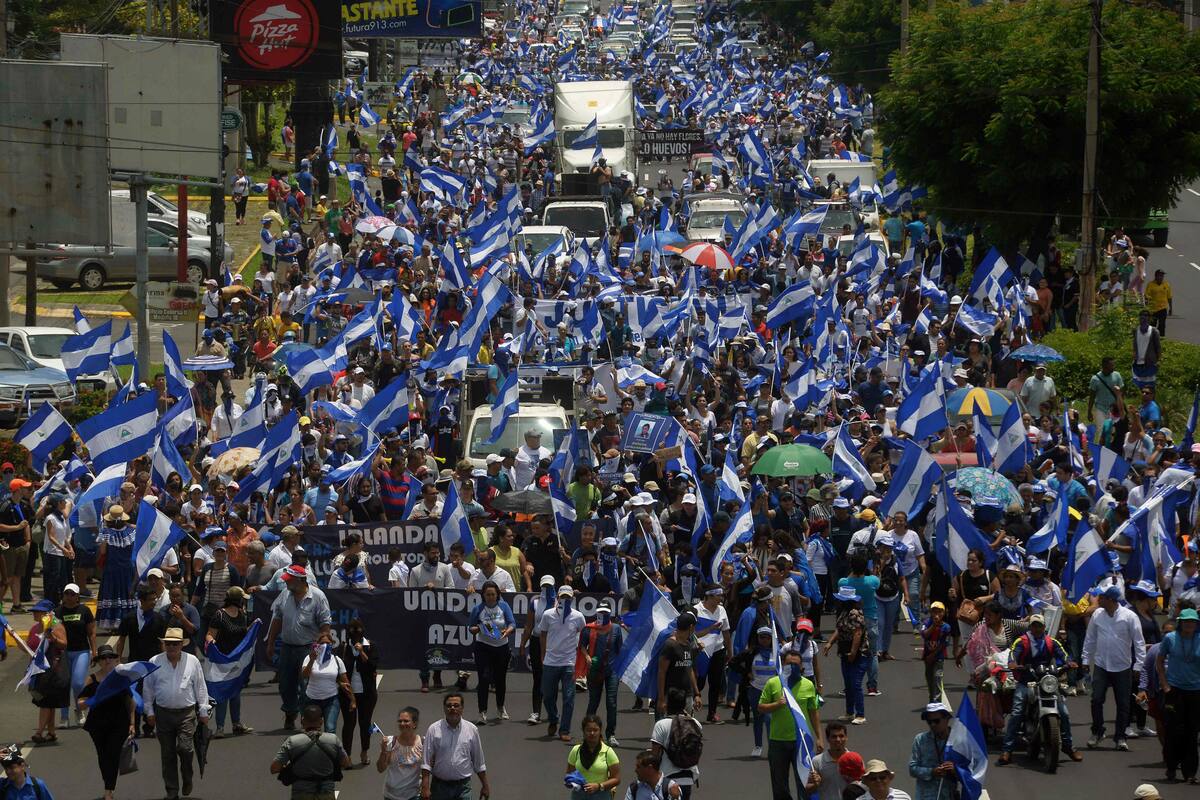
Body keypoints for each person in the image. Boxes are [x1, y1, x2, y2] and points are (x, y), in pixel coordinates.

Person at [997, 613, 1084, 765]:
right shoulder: (1022, 641)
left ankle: (1068, 746)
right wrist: (1013, 663)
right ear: (1030, 627)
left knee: (1063, 712)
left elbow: (1063, 655)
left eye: (1040, 626)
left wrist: (1069, 663)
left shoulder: (1051, 642)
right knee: (1017, 711)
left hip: (1047, 681)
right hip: (1026, 681)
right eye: (1034, 626)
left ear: (1044, 627)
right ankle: (1007, 750)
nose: (1037, 629)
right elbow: (1013, 654)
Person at [143, 627, 210, 800]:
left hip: (186, 713)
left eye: (175, 644)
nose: (171, 647)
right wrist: (149, 711)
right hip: (163, 713)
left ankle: (187, 777)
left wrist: (203, 710)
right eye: (168, 644)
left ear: (182, 645)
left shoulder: (193, 661)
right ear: (164, 645)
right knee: (167, 754)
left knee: (185, 749)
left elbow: (200, 687)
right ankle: (172, 790)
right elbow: (148, 689)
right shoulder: (154, 661)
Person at [265, 565, 332, 730]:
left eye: (289, 580)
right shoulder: (285, 595)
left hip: (308, 648)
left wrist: (323, 645)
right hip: (288, 648)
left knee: (306, 687)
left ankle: (307, 720)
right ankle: (290, 713)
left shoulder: (317, 596)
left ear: (300, 580)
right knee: (285, 685)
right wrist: (271, 642)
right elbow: (277, 618)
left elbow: (325, 623)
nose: (286, 583)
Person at [1083, 585, 1145, 750]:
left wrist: (1139, 665)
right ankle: (1097, 732)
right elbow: (1090, 639)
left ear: (1109, 600)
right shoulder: (1097, 614)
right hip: (1102, 664)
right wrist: (1084, 660)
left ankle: (1120, 737)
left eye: (1100, 597)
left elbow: (1139, 642)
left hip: (1122, 666)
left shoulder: (1129, 617)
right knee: (1096, 699)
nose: (1097, 600)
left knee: (1123, 704)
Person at [758, 650, 823, 800]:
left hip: (801, 742)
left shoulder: (808, 685)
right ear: (783, 665)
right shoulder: (773, 683)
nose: (792, 667)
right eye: (789, 664)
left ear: (802, 668)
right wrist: (777, 704)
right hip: (778, 741)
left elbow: (814, 713)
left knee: (806, 782)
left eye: (796, 664)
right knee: (780, 785)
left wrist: (819, 737)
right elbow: (761, 707)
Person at [76, 644, 135, 800]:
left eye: (110, 657)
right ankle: (107, 784)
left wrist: (132, 724)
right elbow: (80, 702)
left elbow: (131, 702)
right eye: (103, 658)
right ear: (99, 661)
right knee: (103, 756)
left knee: (113, 754)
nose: (107, 660)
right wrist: (93, 700)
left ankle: (109, 791)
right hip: (98, 724)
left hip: (119, 723)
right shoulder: (92, 679)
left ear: (115, 660)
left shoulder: (121, 678)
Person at [271, 703, 351, 800]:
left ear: (302, 721)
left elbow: (274, 768)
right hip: (326, 793)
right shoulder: (333, 740)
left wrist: (289, 767)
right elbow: (346, 763)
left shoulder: (292, 741)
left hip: (301, 794)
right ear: (321, 721)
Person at [1156, 607, 1200, 783]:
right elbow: (1159, 661)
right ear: (1180, 623)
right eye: (1186, 621)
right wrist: (1164, 684)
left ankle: (1190, 773)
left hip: (1196, 691)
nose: (1190, 624)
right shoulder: (1170, 638)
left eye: (1193, 621)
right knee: (1173, 730)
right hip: (1174, 690)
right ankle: (1171, 767)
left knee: (1192, 732)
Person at [203, 586, 254, 738]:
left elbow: (244, 633)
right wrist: (211, 642)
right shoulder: (219, 615)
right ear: (236, 600)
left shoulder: (241, 614)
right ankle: (220, 727)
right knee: (223, 694)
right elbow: (210, 634)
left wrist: (254, 626)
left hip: (237, 660)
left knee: (236, 693)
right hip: (222, 660)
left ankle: (236, 723)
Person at [420, 692, 490, 800]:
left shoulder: (472, 730)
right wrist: (425, 787)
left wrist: (485, 786)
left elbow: (479, 762)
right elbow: (426, 762)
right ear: (444, 708)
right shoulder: (433, 730)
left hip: (463, 787)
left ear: (462, 708)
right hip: (439, 787)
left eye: (456, 705)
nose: (452, 708)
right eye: (449, 705)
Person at [540, 584, 586, 742]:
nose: (565, 599)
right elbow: (543, 635)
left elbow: (583, 634)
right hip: (550, 662)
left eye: (568, 597)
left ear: (572, 599)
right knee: (547, 696)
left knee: (569, 697)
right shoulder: (548, 614)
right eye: (563, 597)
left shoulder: (578, 616)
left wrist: (580, 658)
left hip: (568, 662)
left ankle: (564, 729)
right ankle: (553, 718)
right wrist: (543, 655)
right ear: (558, 598)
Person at [466, 581, 515, 725]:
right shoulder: (478, 609)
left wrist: (508, 631)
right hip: (484, 647)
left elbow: (512, 623)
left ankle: (500, 707)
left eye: (493, 594)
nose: (490, 597)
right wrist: (480, 628)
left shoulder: (504, 606)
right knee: (484, 678)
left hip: (501, 647)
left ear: (497, 595)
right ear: (483, 595)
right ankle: (482, 712)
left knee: (500, 679)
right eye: (488, 594)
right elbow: (471, 628)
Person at [823, 585, 870, 725]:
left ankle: (860, 714)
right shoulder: (844, 612)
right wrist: (830, 643)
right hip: (844, 651)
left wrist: (853, 652)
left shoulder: (855, 613)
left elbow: (857, 633)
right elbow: (839, 629)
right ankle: (849, 712)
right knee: (848, 683)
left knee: (855, 683)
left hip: (858, 653)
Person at [582, 598, 625, 745]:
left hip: (612, 671)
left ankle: (611, 734)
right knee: (593, 702)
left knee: (611, 703)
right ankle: (588, 732)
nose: (602, 615)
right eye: (600, 612)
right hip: (595, 670)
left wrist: (621, 672)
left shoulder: (616, 629)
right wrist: (587, 656)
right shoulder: (589, 628)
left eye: (605, 612)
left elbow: (620, 651)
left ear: (610, 614)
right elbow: (582, 646)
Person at [338, 617, 379, 765]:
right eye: (352, 633)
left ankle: (364, 751)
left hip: (367, 694)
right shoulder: (342, 648)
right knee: (349, 724)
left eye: (358, 633)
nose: (355, 636)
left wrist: (362, 652)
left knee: (365, 723)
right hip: (348, 694)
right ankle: (347, 756)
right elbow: (337, 669)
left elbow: (372, 666)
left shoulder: (371, 646)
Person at [54, 582, 96, 729]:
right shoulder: (58, 612)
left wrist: (94, 651)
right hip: (64, 652)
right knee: (64, 684)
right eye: (67, 594)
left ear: (78, 596)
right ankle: (64, 717)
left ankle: (79, 710)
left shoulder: (84, 611)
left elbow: (91, 633)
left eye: (72, 594)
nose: (69, 597)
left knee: (78, 683)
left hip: (81, 651)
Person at [649, 687, 702, 799]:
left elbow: (654, 756)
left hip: (667, 779)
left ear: (668, 704)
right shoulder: (695, 724)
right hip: (688, 777)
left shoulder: (661, 725)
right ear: (684, 704)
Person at [27, 601, 67, 745]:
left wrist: (53, 638)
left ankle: (39, 732)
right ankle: (51, 732)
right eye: (35, 611)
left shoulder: (56, 626)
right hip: (38, 669)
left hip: (52, 668)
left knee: (45, 700)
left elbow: (64, 644)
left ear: (47, 614)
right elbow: (29, 647)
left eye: (38, 611)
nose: (35, 613)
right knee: (47, 701)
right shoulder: (34, 628)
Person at [95, 505, 137, 632]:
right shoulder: (132, 531)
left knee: (112, 593)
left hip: (112, 568)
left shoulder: (106, 533)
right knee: (127, 594)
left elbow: (102, 551)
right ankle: (127, 621)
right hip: (128, 568)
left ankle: (112, 622)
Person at [301, 632, 354, 734]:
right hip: (312, 699)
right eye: (322, 643)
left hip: (331, 699)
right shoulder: (309, 658)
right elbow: (304, 675)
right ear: (317, 645)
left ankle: (329, 750)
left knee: (330, 728)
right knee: (312, 730)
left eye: (328, 643)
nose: (325, 645)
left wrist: (353, 700)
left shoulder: (337, 660)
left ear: (332, 645)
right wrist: (312, 660)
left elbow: (345, 681)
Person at [656, 611, 701, 720]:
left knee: (685, 730)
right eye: (694, 627)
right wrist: (661, 699)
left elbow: (689, 669)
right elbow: (662, 672)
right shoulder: (670, 645)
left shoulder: (688, 644)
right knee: (670, 728)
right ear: (691, 627)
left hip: (687, 695)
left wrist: (697, 693)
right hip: (671, 696)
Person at [908, 703, 957, 800]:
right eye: (929, 722)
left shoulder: (958, 741)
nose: (933, 725)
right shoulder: (921, 739)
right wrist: (931, 772)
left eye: (936, 721)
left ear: (946, 719)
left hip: (949, 794)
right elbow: (912, 769)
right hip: (925, 795)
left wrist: (955, 770)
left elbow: (970, 769)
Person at [566, 714, 621, 800]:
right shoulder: (576, 751)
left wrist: (599, 786)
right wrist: (570, 781)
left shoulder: (608, 752)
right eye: (588, 730)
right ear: (583, 731)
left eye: (595, 730)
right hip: (579, 795)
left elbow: (616, 779)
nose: (592, 733)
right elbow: (569, 773)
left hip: (601, 795)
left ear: (600, 731)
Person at [378, 706, 423, 800]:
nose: (402, 724)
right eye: (400, 721)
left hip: (414, 795)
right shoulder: (390, 742)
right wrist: (383, 751)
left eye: (406, 721)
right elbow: (381, 768)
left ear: (414, 723)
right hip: (391, 796)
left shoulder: (423, 743)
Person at [809, 722, 850, 800]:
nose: (838, 740)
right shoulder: (817, 761)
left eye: (841, 736)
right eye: (834, 737)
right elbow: (808, 790)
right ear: (828, 739)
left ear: (846, 737)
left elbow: (864, 787)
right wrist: (815, 784)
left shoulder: (855, 759)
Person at [919, 602, 950, 703]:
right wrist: (933, 625)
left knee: (937, 679)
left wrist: (933, 655)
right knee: (929, 679)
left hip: (938, 658)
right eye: (934, 611)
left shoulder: (946, 627)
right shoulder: (926, 623)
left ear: (943, 613)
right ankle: (931, 699)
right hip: (927, 658)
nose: (936, 614)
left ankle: (937, 702)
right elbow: (924, 635)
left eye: (939, 612)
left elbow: (944, 644)